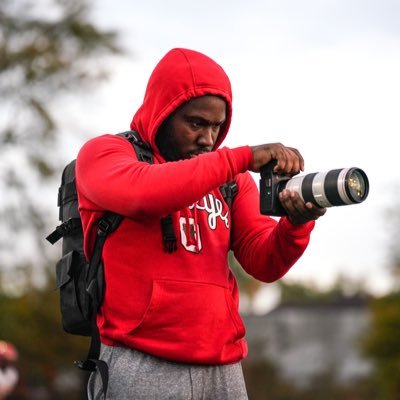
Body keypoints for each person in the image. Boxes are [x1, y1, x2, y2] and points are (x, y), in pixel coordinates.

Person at [76, 48, 326, 399]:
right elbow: (143, 193)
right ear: (163, 113)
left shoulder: (230, 178)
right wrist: (241, 157)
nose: (208, 139)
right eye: (196, 123)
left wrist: (296, 226)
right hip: (140, 360)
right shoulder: (106, 154)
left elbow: (263, 261)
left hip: (223, 366)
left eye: (217, 126)